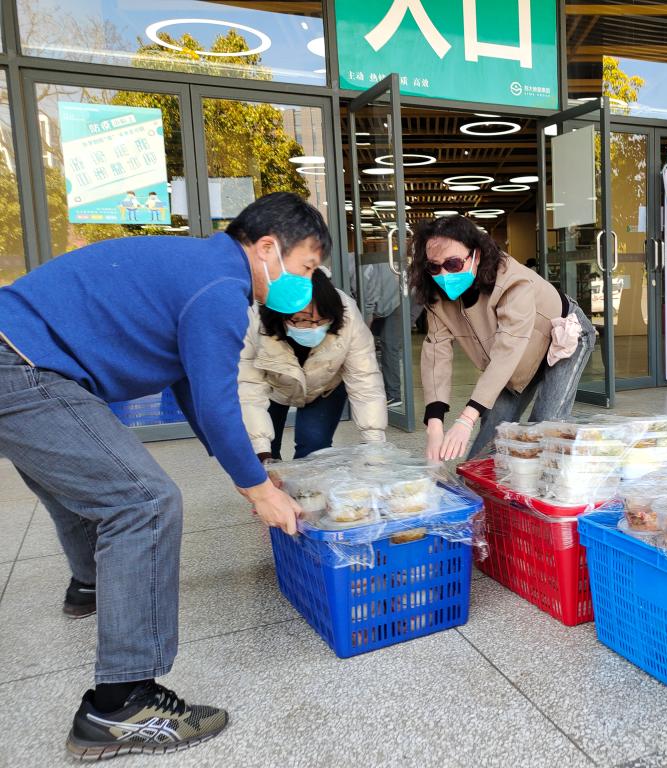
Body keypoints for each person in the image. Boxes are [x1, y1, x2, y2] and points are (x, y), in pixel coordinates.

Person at [0, 192, 328, 758]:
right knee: (144, 502)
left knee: (85, 483)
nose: (306, 282)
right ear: (267, 247)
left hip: (17, 352)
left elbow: (192, 388)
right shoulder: (220, 288)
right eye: (305, 266)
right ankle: (122, 705)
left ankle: (92, 584)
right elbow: (218, 401)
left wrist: (248, 474)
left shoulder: (198, 267)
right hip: (23, 365)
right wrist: (257, 490)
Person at [410, 215, 596, 461]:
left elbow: (507, 351)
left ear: (476, 255)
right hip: (517, 355)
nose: (444, 274)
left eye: (453, 264)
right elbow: (436, 354)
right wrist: (434, 426)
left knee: (546, 428)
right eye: (434, 267)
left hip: (563, 337)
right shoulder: (437, 296)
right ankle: (483, 483)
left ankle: (550, 479)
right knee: (491, 433)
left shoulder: (512, 281)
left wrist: (465, 420)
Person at [238, 268, 387, 461]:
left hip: (324, 386)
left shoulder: (347, 314)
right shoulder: (255, 320)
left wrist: (375, 444)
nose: (314, 327)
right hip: (272, 385)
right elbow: (248, 387)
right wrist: (261, 450)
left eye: (322, 319)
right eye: (302, 319)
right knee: (263, 451)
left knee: (314, 446)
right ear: (281, 313)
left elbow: (365, 380)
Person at [359, 260, 404, 408]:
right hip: (385, 300)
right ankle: (381, 391)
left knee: (389, 345)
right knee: (383, 345)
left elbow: (369, 299)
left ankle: (393, 395)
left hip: (395, 301)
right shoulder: (350, 263)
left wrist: (364, 331)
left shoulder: (355, 267)